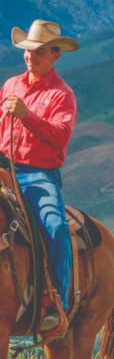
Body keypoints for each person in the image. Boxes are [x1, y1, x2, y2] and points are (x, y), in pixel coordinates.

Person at [0, 19, 79, 334]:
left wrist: (27, 116)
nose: (31, 56)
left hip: (38, 174)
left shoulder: (62, 95)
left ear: (55, 55)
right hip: (4, 166)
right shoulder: (10, 85)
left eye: (39, 51)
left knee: (55, 225)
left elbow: (59, 138)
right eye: (28, 50)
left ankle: (53, 299)